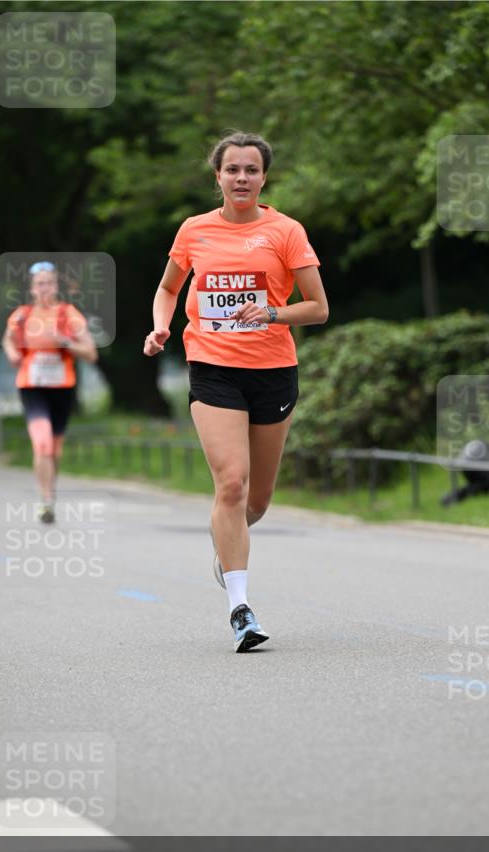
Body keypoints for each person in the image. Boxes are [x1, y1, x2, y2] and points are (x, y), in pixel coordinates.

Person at [144, 131, 328, 652]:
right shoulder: (194, 230)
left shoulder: (286, 231)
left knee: (257, 502)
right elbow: (167, 289)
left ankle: (227, 538)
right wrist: (160, 327)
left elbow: (318, 307)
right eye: (232, 170)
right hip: (212, 366)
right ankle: (241, 610)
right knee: (231, 483)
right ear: (218, 176)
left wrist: (271, 312)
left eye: (251, 170)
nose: (241, 178)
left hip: (273, 370)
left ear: (263, 176)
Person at [2, 262, 98, 523]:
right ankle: (45, 501)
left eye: (49, 283)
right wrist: (12, 354)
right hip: (32, 387)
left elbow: (91, 353)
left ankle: (49, 493)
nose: (45, 288)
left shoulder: (69, 314)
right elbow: (8, 339)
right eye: (40, 283)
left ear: (56, 286)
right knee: (42, 443)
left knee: (54, 450)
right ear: (32, 289)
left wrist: (64, 342)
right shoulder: (22, 315)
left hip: (62, 388)